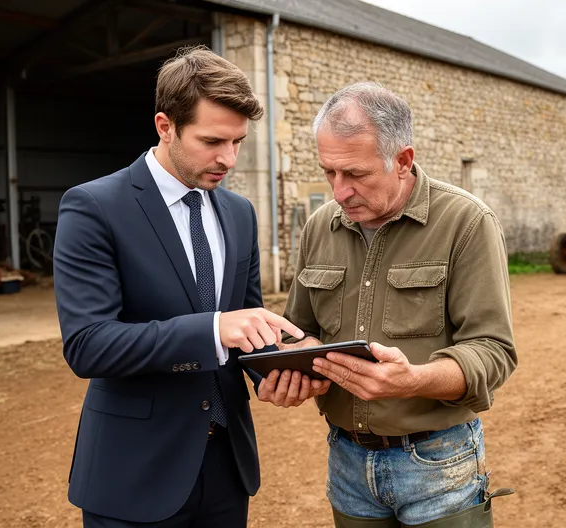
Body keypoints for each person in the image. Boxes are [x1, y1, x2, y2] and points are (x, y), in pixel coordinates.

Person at [52, 45, 328, 528]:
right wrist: (215, 329)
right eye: (213, 141)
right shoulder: (94, 207)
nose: (230, 158)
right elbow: (88, 345)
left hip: (227, 468)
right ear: (165, 126)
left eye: (239, 141)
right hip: (134, 474)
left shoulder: (239, 212)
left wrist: (287, 366)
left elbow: (246, 327)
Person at [280, 82, 518, 527]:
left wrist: (414, 380)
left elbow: (493, 351)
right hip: (346, 460)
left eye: (355, 174)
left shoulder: (466, 222)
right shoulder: (318, 228)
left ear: (403, 161)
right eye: (329, 172)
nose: (339, 191)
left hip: (438, 461)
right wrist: (291, 365)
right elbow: (297, 329)